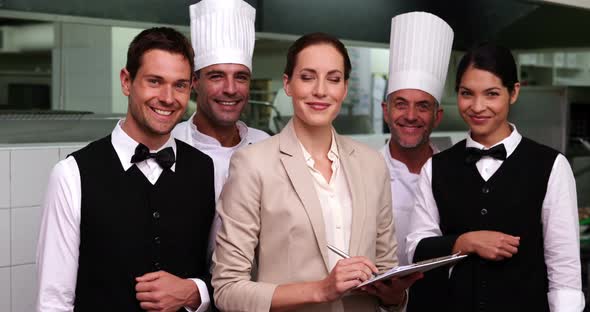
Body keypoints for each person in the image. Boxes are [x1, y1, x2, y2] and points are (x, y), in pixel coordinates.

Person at [212, 32, 421, 312]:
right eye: (308, 77)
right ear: (288, 84)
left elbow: (385, 270)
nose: (320, 90)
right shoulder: (253, 163)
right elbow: (227, 290)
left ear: (345, 88)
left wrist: (395, 296)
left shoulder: (372, 164)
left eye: (333, 79)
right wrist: (322, 290)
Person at [36, 27, 216, 312]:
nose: (168, 98)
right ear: (126, 81)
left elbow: (224, 275)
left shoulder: (206, 170)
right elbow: (54, 300)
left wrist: (195, 291)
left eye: (179, 85)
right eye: (155, 81)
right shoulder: (72, 174)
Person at [406, 42, 585, 312]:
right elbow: (416, 249)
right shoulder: (436, 167)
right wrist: (463, 242)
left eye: (491, 94)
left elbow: (564, 267)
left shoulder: (552, 166)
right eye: (467, 94)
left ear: (513, 93)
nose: (478, 107)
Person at [380, 11, 453, 312]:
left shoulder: (457, 173)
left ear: (437, 116)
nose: (410, 116)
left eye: (422, 106)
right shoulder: (360, 172)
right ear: (386, 111)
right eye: (401, 104)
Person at [173, 0, 269, 204]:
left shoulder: (266, 146)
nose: (231, 89)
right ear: (195, 82)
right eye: (217, 76)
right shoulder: (169, 145)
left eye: (241, 77)